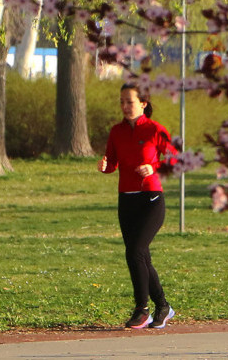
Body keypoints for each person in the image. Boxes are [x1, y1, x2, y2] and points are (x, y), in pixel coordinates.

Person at [98, 83, 178, 329]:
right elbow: (112, 162)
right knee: (140, 255)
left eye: (129, 102)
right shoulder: (116, 131)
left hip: (151, 198)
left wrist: (153, 167)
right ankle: (163, 306)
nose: (124, 106)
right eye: (121, 101)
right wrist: (105, 166)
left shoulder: (155, 129)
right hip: (127, 199)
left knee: (134, 251)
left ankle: (142, 310)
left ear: (143, 103)